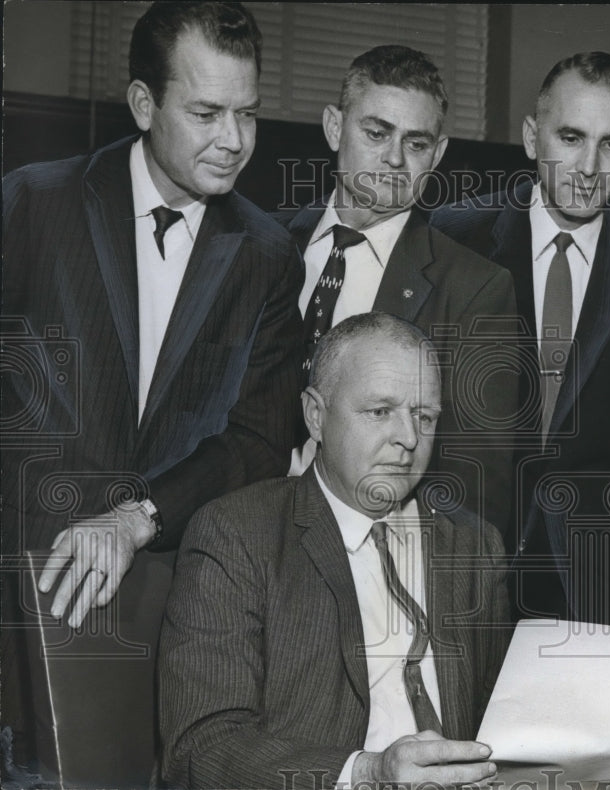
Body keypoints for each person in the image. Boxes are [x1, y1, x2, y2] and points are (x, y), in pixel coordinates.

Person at [0, 1, 302, 779]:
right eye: (205, 113)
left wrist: (139, 517)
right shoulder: (34, 203)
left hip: (180, 615)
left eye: (247, 114)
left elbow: (260, 441)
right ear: (144, 104)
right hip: (21, 602)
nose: (232, 141)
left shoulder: (269, 254)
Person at [158, 312, 509, 788]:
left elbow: (505, 722)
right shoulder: (237, 535)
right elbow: (202, 748)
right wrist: (368, 773)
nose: (408, 438)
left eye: (424, 416)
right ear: (316, 416)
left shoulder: (472, 545)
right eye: (380, 411)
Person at [431, 52, 610, 628]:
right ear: (532, 138)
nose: (587, 165)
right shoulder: (455, 234)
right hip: (455, 554)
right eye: (571, 137)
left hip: (590, 576)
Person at [276, 45, 517, 534]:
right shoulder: (264, 246)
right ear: (334, 127)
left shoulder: (475, 288)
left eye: (416, 143)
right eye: (376, 132)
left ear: (439, 154)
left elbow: (472, 489)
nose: (393, 158)